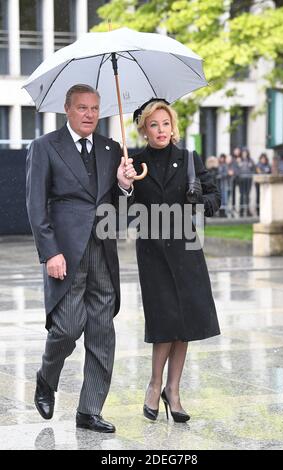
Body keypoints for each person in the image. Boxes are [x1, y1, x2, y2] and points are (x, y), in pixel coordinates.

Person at [26, 84, 136, 433]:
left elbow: (120, 210)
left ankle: (89, 409)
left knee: (103, 331)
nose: (90, 114)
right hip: (66, 252)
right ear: (68, 110)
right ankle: (46, 376)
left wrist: (124, 186)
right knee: (68, 327)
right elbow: (35, 204)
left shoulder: (112, 149)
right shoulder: (45, 147)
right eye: (83, 108)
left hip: (103, 249)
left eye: (95, 108)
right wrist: (50, 252)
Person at [132, 99, 221, 422]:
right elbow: (123, 206)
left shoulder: (188, 159)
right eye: (154, 125)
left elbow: (215, 196)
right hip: (152, 250)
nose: (161, 130)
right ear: (144, 129)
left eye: (165, 124)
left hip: (186, 248)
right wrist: (126, 185)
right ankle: (155, 385)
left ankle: (174, 390)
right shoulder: (134, 160)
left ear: (174, 127)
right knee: (165, 321)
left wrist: (201, 200)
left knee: (184, 323)